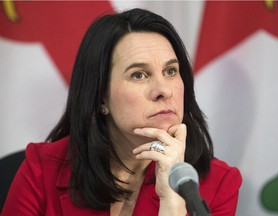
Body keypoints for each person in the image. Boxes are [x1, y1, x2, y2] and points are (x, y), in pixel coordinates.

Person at [1, 8, 242, 216]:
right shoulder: (42, 170)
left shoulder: (217, 184)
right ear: (101, 97)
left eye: (170, 71)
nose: (163, 91)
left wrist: (173, 202)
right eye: (139, 75)